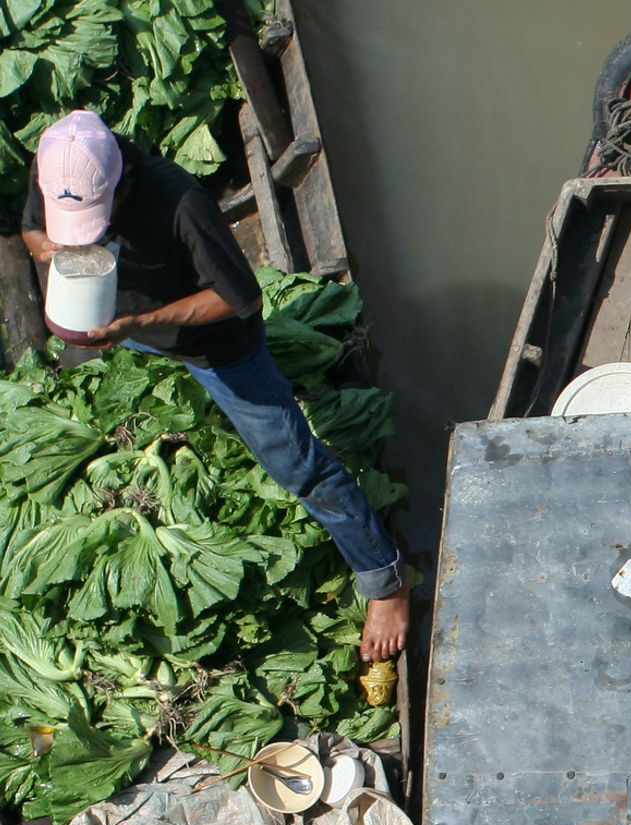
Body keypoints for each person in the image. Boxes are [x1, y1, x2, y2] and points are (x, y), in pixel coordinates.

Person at [19, 110, 408, 661]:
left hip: (217, 347)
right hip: (122, 322)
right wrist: (50, 249)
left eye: (98, 222)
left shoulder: (178, 202)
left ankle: (385, 580)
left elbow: (239, 297)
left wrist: (139, 324)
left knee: (297, 464)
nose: (94, 234)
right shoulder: (63, 165)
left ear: (121, 181)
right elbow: (31, 226)